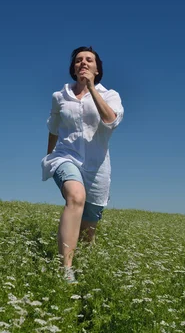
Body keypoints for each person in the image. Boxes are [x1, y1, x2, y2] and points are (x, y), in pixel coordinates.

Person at [41, 46, 124, 284]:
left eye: (89, 60)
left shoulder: (110, 96)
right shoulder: (60, 97)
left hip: (97, 167)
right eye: (78, 60)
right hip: (64, 158)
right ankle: (66, 270)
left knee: (89, 232)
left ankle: (86, 265)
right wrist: (49, 158)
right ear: (73, 68)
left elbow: (110, 120)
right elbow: (53, 130)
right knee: (75, 197)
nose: (83, 63)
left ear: (97, 69)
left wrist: (91, 89)